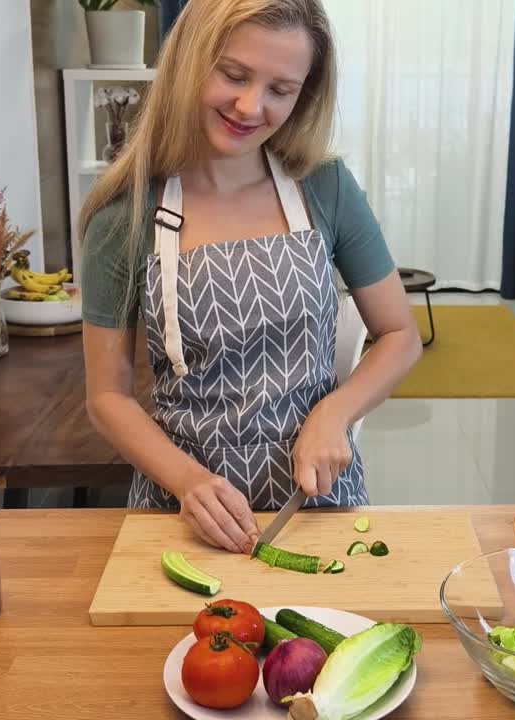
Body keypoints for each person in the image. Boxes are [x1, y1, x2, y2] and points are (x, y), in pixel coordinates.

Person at [80, 0, 421, 554]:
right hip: (183, 512)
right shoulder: (125, 216)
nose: (249, 105)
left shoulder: (324, 187)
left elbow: (400, 337)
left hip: (318, 507)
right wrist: (189, 482)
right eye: (234, 75)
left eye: (280, 90)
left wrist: (335, 413)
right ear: (189, 60)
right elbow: (107, 396)